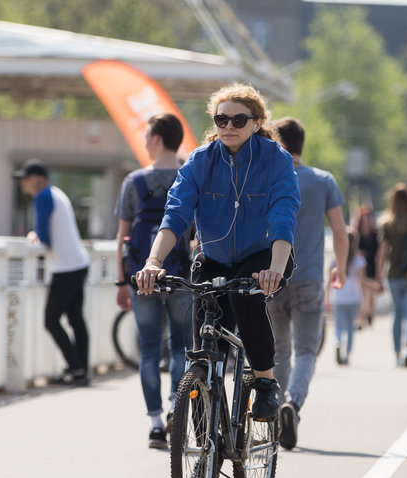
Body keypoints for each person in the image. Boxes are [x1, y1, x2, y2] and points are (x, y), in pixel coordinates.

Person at [134, 83, 300, 423]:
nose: (228, 127)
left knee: (248, 305)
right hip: (213, 257)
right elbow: (175, 213)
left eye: (239, 121)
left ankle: (266, 384)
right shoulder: (200, 160)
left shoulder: (275, 160)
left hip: (261, 256)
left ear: (257, 122)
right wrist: (153, 262)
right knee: (201, 347)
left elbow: (284, 217)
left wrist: (276, 269)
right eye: (221, 119)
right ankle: (202, 444)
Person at [265, 116, 348, 451]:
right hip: (310, 276)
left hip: (271, 275)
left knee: (279, 350)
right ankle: (293, 404)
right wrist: (340, 270)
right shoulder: (324, 181)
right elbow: (341, 233)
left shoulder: (270, 178)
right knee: (307, 351)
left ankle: (274, 414)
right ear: (302, 143)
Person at [114, 113, 194, 449]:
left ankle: (156, 424)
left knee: (148, 351)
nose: (145, 143)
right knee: (180, 347)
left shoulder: (134, 182)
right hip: (181, 274)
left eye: (148, 137)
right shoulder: (190, 177)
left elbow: (122, 236)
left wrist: (121, 282)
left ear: (158, 139)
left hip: (141, 276)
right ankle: (177, 408)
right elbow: (197, 234)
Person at [14, 159, 91, 386]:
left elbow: (44, 239)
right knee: (76, 319)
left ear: (38, 178)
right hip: (78, 263)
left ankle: (76, 368)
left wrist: (32, 235)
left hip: (65, 267)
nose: (22, 183)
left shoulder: (43, 197)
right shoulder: (57, 193)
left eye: (25, 178)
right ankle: (80, 370)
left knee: (51, 321)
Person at [375, 183, 407, 368]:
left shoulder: (388, 224)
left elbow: (382, 253)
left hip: (395, 274)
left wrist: (378, 276)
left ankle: (397, 353)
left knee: (397, 314)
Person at [326, 229, 372, 366]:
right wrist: (365, 300)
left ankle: (338, 342)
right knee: (351, 327)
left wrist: (327, 298)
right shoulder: (359, 260)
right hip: (354, 298)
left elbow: (329, 282)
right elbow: (362, 282)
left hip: (339, 298)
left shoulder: (334, 261)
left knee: (339, 326)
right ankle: (347, 353)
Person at [354, 204, 380, 329]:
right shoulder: (356, 234)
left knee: (371, 294)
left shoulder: (375, 234)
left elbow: (379, 251)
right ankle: (361, 318)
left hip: (372, 265)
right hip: (360, 267)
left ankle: (369, 312)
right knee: (362, 292)